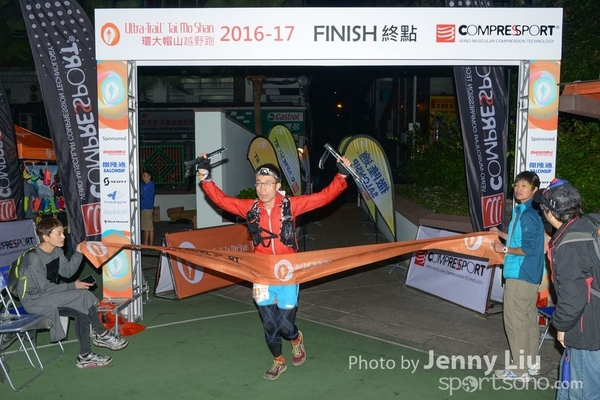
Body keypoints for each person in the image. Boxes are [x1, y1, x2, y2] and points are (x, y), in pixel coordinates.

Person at [196, 155, 352, 380]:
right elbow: (221, 200)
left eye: (267, 184)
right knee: (270, 326)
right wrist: (205, 176)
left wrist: (342, 175)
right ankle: (278, 360)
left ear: (277, 186)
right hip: (262, 274)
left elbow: (323, 198)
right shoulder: (251, 207)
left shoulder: (291, 204)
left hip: (288, 273)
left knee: (286, 328)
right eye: (258, 183)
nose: (262, 188)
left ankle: (296, 339)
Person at [17, 217, 128, 369]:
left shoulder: (57, 250)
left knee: (81, 309)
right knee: (82, 295)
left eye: (63, 232)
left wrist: (78, 253)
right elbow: (45, 289)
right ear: (46, 237)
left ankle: (85, 355)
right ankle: (102, 334)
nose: (63, 236)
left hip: (49, 295)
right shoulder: (33, 259)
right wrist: (73, 286)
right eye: (59, 234)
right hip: (35, 300)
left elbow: (67, 272)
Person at [534, 178, 600, 399]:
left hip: (587, 327)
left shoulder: (569, 244)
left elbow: (574, 297)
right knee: (569, 379)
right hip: (593, 317)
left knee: (583, 390)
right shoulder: (591, 222)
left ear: (550, 212)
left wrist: (561, 326)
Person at [490, 171, 545, 381]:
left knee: (515, 323)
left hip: (520, 274)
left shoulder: (528, 213)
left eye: (524, 186)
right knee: (529, 320)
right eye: (517, 185)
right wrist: (502, 235)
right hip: (528, 275)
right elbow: (520, 239)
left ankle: (519, 370)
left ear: (534, 190)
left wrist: (502, 249)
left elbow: (527, 249)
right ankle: (531, 365)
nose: (518, 189)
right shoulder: (527, 210)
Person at [141, 171, 155, 246]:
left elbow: (143, 195)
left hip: (148, 208)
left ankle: (151, 244)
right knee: (145, 227)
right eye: (143, 176)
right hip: (143, 208)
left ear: (149, 176)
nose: (143, 177)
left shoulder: (150, 185)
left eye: (145, 176)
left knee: (149, 227)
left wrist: (141, 194)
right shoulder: (142, 185)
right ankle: (146, 243)